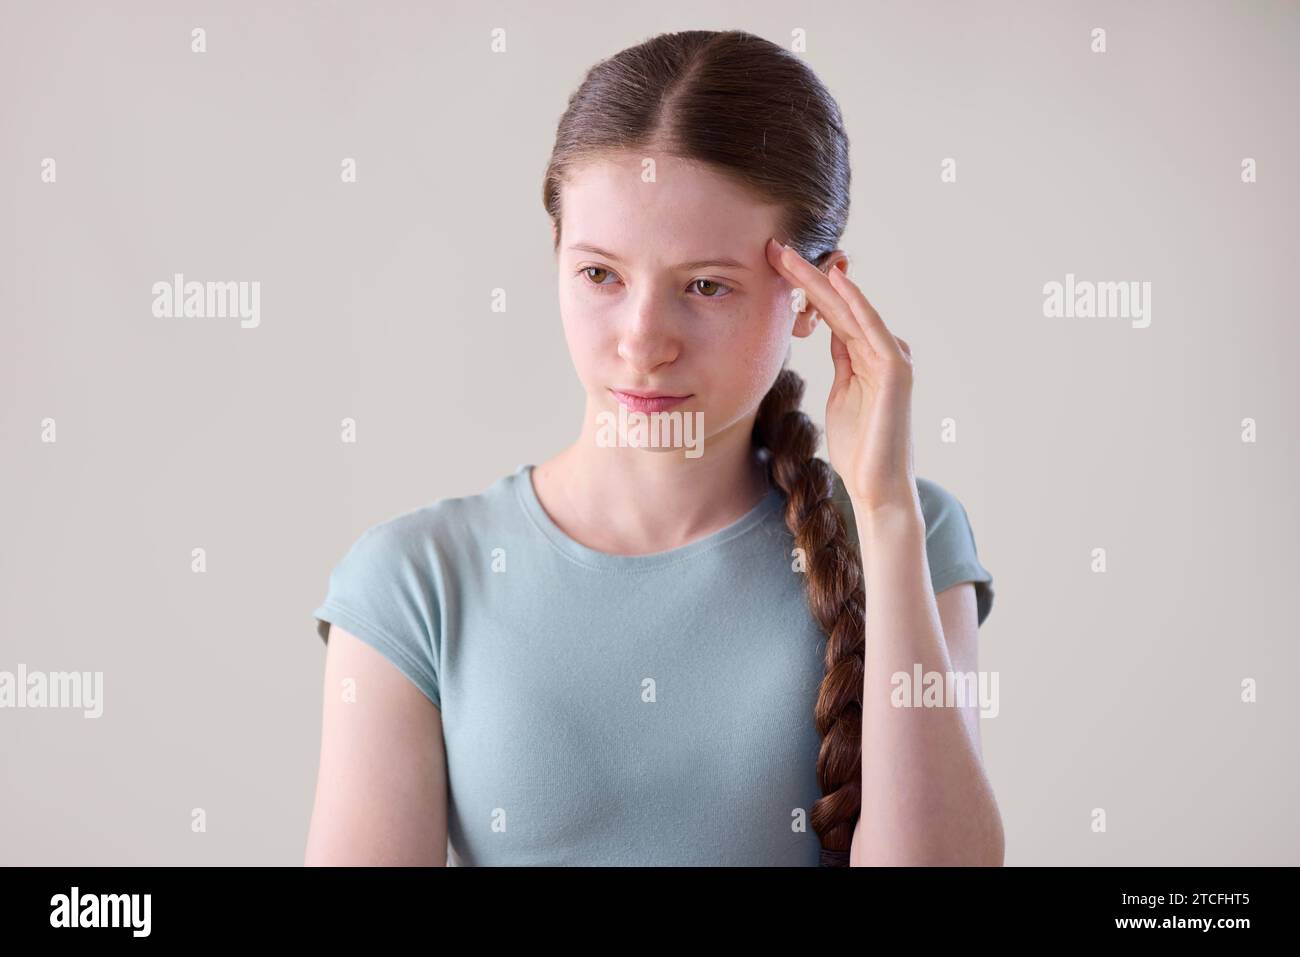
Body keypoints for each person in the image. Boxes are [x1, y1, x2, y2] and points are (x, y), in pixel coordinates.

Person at [304, 29, 1001, 867]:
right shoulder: (415, 582)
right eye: (601, 274)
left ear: (817, 297)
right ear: (556, 257)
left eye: (705, 286)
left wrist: (884, 513)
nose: (643, 342)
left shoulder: (908, 536)